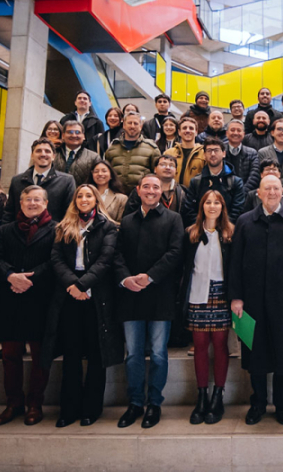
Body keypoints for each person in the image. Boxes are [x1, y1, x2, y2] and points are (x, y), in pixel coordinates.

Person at [230, 175, 283, 425]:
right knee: (254, 353)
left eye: (276, 188)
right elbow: (234, 262)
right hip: (250, 301)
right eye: (266, 188)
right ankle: (257, 403)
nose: (271, 192)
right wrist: (236, 297)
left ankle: (282, 404)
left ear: (282, 193)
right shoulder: (245, 221)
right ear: (258, 193)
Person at [44, 184, 123, 427]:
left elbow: (105, 260)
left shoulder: (108, 227)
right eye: (80, 196)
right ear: (75, 200)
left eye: (89, 195)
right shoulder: (64, 226)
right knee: (72, 353)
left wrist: (83, 285)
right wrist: (72, 285)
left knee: (96, 354)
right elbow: (56, 258)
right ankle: (69, 410)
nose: (84, 199)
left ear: (96, 199)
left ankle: (91, 409)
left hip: (96, 294)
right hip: (69, 293)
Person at [114, 174, 185, 429]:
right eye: (146, 186)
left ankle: (154, 403)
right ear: (138, 190)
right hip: (131, 295)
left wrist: (150, 276)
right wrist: (126, 278)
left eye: (156, 187)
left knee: (158, 353)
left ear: (161, 191)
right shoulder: (127, 221)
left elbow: (175, 252)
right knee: (133, 354)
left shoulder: (173, 219)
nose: (151, 190)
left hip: (159, 295)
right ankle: (135, 403)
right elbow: (117, 254)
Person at [0, 185, 55, 426]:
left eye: (37, 199)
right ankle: (13, 403)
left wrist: (29, 279)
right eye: (28, 200)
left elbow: (56, 261)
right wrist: (11, 276)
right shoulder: (5, 230)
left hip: (40, 299)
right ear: (21, 203)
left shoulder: (57, 229)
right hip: (10, 298)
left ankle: (35, 404)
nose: (32, 203)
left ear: (46, 204)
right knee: (10, 355)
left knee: (39, 356)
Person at [182, 190, 233, 425]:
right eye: (208, 202)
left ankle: (218, 395)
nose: (212, 206)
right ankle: (201, 396)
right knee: (200, 346)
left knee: (220, 345)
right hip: (198, 293)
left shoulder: (230, 233)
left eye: (217, 203)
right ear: (202, 206)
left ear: (223, 207)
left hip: (221, 293)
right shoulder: (191, 233)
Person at [4, 139, 76, 224]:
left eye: (47, 151)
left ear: (53, 156)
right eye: (38, 151)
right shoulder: (17, 181)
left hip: (53, 231)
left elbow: (70, 214)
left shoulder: (66, 181)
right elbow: (9, 212)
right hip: (21, 230)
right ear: (32, 155)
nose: (43, 154)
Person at [183, 138, 245, 224]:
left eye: (216, 150)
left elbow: (237, 209)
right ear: (204, 155)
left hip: (227, 229)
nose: (212, 154)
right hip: (201, 228)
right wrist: (203, 227)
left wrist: (224, 227)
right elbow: (189, 209)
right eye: (209, 151)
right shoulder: (196, 182)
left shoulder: (235, 182)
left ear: (224, 153)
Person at [104, 112, 162, 195]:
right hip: (116, 195)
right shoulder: (112, 148)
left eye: (135, 123)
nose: (132, 126)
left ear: (141, 126)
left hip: (142, 197)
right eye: (129, 123)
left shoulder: (151, 148)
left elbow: (158, 174)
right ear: (124, 125)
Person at [54, 120, 102, 186]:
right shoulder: (53, 154)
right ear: (63, 135)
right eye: (70, 132)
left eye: (77, 132)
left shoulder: (94, 157)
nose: (74, 135)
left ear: (83, 136)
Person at [224, 119, 260, 200]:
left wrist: (241, 193)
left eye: (239, 130)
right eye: (232, 130)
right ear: (226, 133)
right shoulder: (220, 151)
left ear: (243, 134)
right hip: (224, 196)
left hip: (246, 197)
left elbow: (254, 176)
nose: (235, 133)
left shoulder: (252, 153)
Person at [163, 116, 205, 186]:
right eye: (184, 128)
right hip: (172, 192)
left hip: (195, 192)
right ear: (179, 132)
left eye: (191, 128)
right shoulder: (169, 153)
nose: (188, 131)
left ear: (196, 132)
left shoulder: (204, 154)